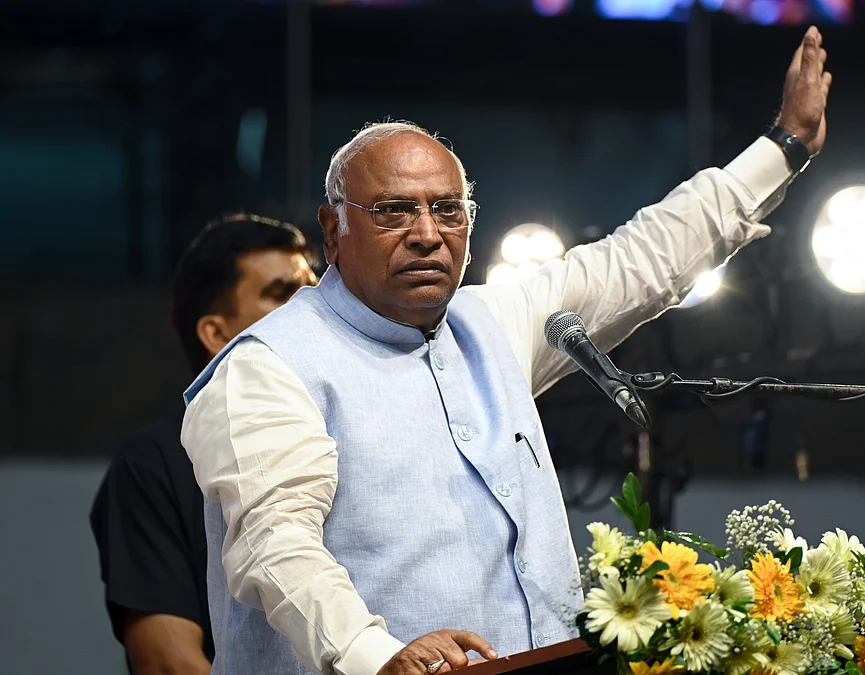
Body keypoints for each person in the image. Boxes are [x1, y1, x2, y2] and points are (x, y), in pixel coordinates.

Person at [181, 26, 831, 675]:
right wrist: (375, 654)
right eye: (394, 212)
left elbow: (642, 258)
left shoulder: (491, 319)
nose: (428, 235)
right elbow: (275, 543)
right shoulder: (267, 364)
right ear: (333, 229)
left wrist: (786, 146)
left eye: (448, 209)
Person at [89, 214, 319, 675]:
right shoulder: (154, 464)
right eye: (282, 294)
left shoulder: (355, 429)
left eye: (315, 290)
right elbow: (167, 662)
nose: (312, 307)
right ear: (216, 334)